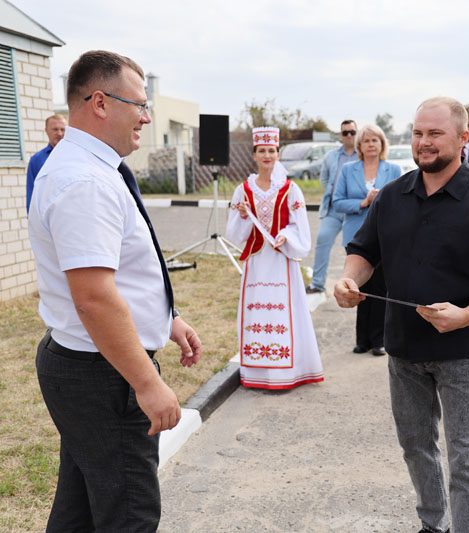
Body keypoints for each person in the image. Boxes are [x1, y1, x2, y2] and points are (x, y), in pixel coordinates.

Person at [28, 50, 202, 532]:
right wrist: (147, 383)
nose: (147, 116)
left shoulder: (89, 167)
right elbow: (94, 298)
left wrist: (165, 318)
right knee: (128, 514)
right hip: (102, 376)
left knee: (81, 509)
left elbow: (118, 272)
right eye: (139, 104)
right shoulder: (84, 180)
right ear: (100, 103)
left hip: (87, 365)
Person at [334, 97, 469, 533]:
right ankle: (432, 523)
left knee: (467, 454)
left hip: (463, 352)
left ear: (464, 136)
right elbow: (364, 251)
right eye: (418, 132)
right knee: (416, 445)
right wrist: (350, 281)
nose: (424, 142)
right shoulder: (393, 197)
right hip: (403, 349)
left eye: (435, 133)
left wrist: (465, 315)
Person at [225, 126, 324, 389]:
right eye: (262, 151)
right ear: (254, 155)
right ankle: (258, 371)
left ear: (278, 154)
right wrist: (245, 216)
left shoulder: (291, 190)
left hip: (281, 262)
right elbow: (233, 232)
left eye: (271, 150)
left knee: (284, 311)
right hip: (258, 263)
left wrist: (287, 237)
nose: (267, 155)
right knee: (257, 311)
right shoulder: (242, 190)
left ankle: (287, 372)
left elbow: (300, 226)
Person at [333, 124, 401, 356]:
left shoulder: (393, 169)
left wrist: (381, 200)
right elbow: (337, 201)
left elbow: (401, 202)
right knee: (358, 287)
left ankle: (378, 340)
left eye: (375, 140)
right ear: (359, 146)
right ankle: (362, 339)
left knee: (380, 289)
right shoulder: (348, 169)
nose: (371, 144)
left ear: (382, 144)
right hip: (356, 237)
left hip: (384, 237)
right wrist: (363, 202)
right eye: (366, 141)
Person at [305, 119, 359, 294]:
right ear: (340, 135)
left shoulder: (363, 156)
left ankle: (356, 287)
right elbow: (325, 180)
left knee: (355, 250)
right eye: (345, 133)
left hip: (356, 211)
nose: (349, 135)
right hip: (333, 210)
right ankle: (317, 284)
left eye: (352, 132)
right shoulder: (331, 157)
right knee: (322, 240)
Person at [26, 114, 66, 212]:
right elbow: (32, 193)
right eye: (55, 129)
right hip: (48, 217)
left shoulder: (77, 156)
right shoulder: (36, 160)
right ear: (46, 131)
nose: (59, 133)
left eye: (62, 129)